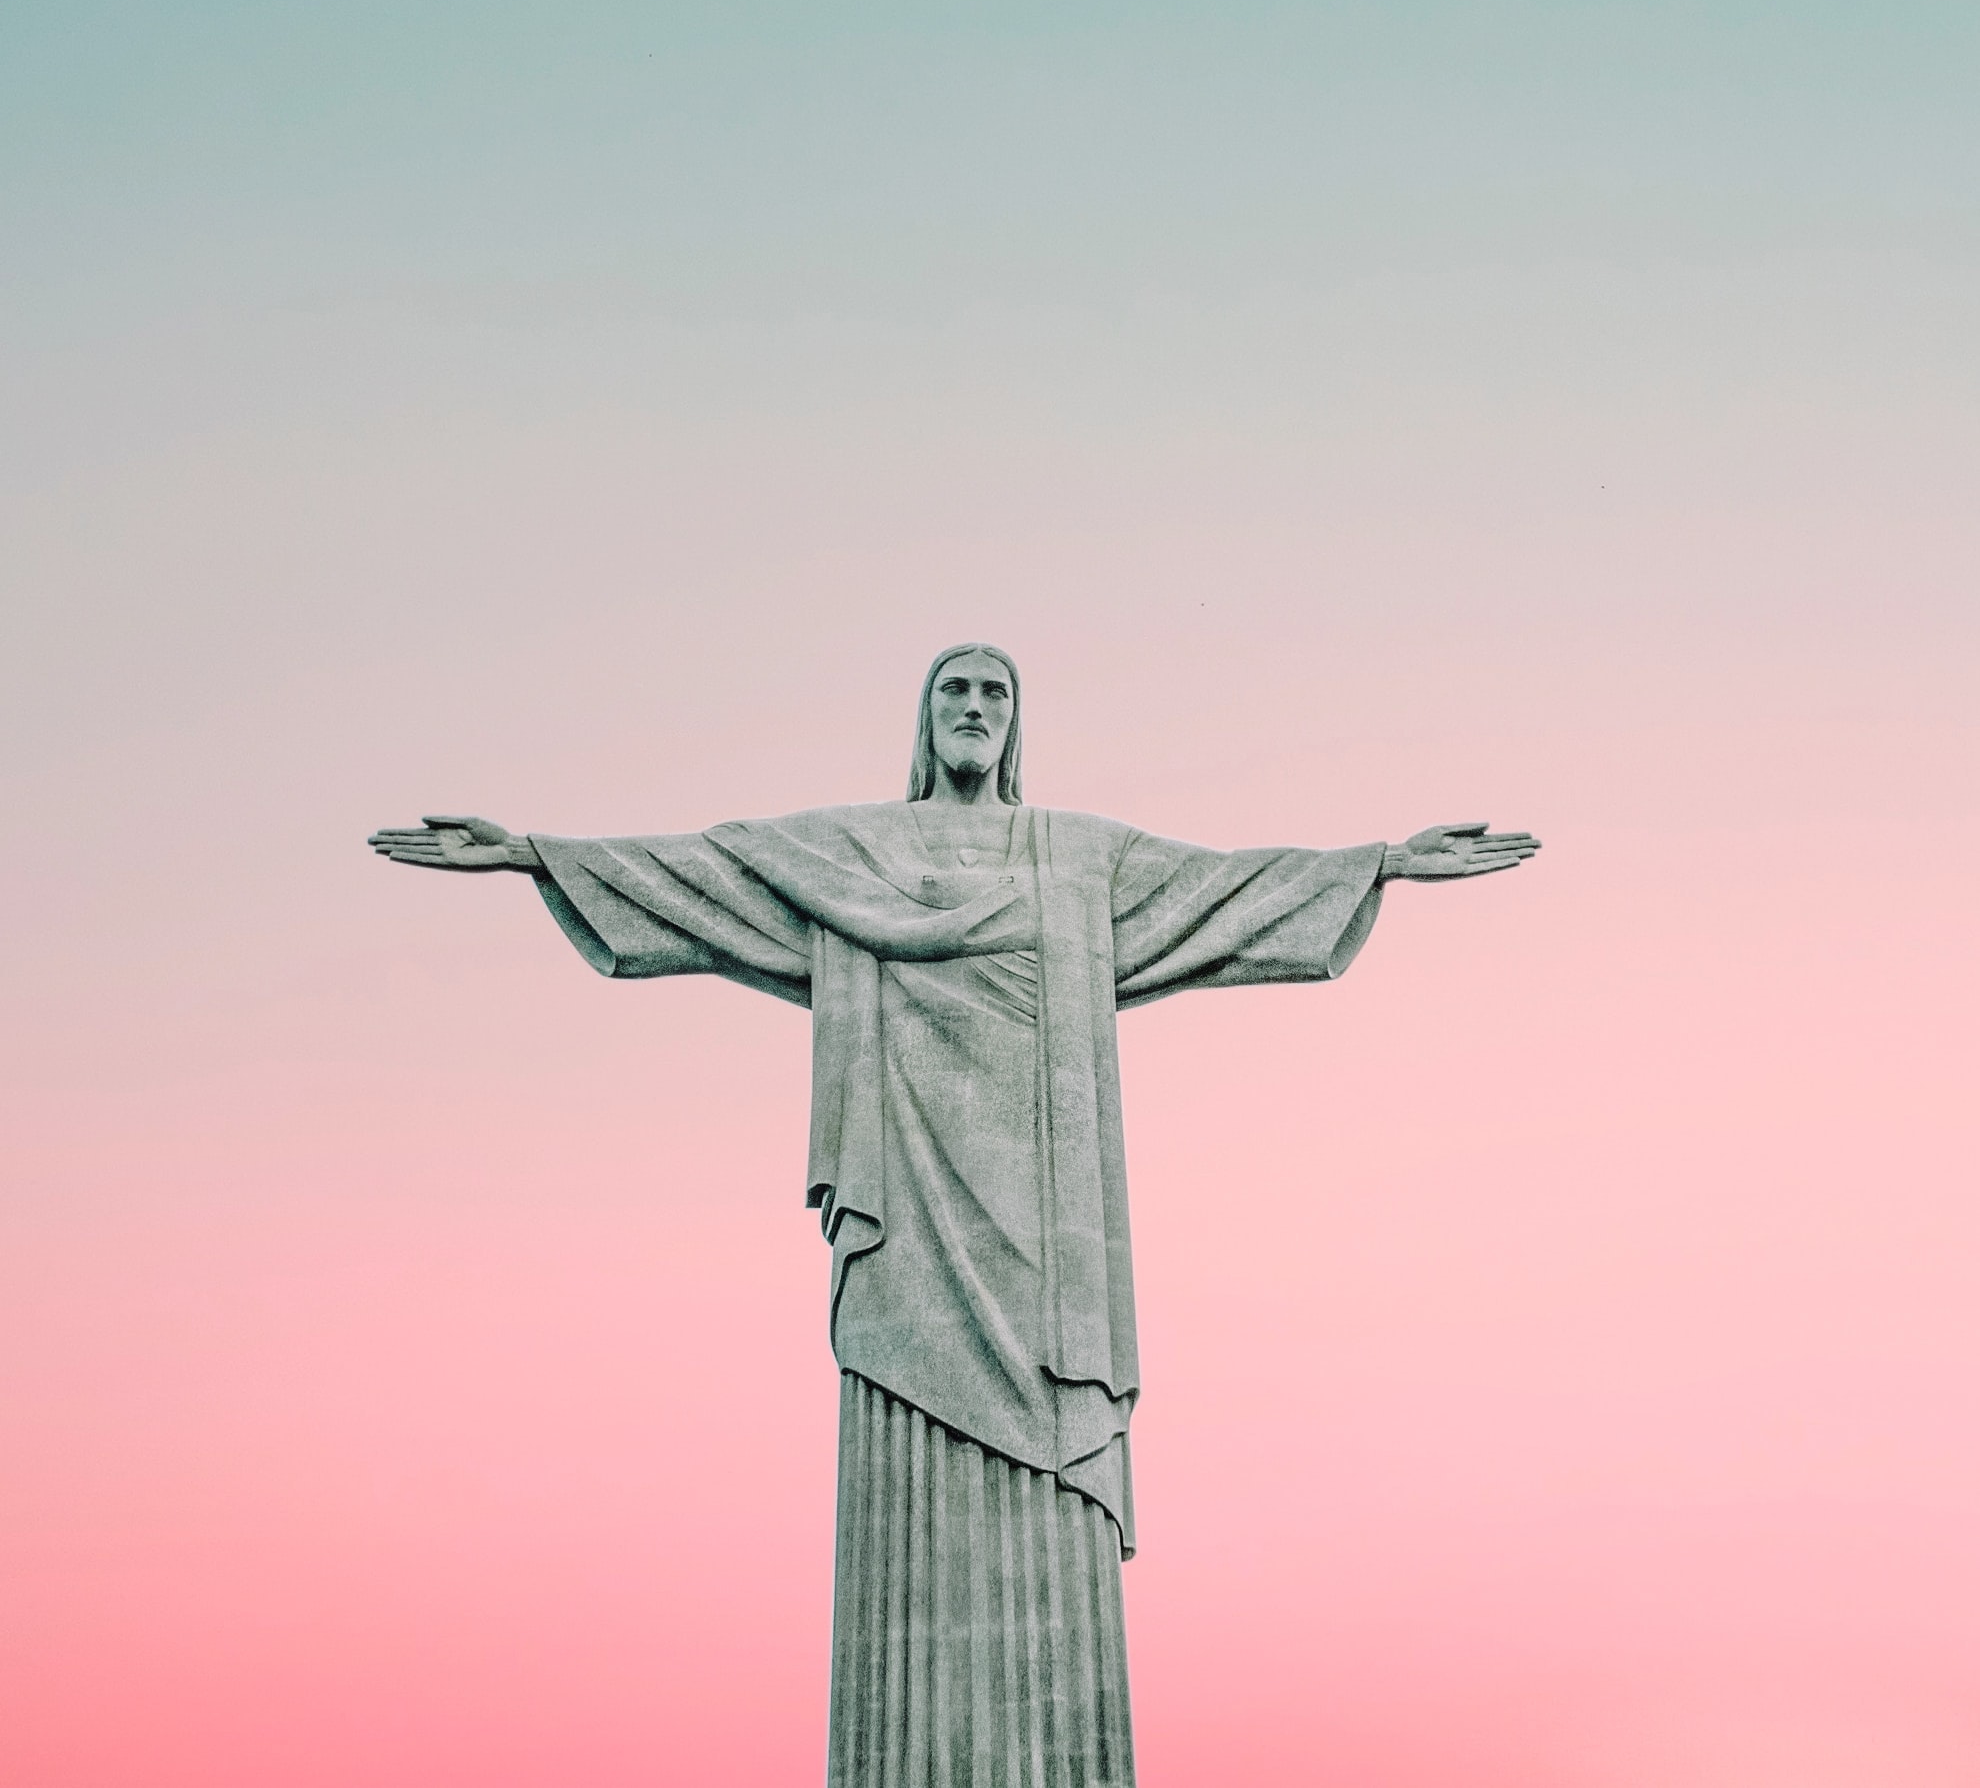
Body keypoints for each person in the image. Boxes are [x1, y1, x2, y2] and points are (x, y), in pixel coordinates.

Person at [372, 643, 1537, 1788]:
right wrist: (532, 853)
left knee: (1053, 1507)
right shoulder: (853, 852)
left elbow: (1223, 883)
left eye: (994, 693)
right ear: (923, 719)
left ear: (1016, 725)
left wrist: (1380, 861)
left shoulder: (1079, 859)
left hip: (1047, 1241)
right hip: (909, 1233)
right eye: (955, 690)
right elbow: (711, 872)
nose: (973, 707)